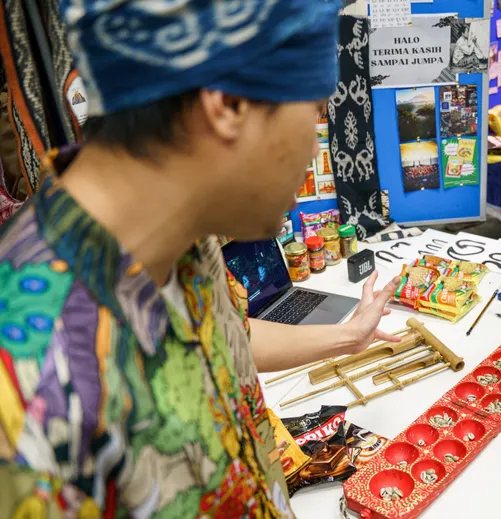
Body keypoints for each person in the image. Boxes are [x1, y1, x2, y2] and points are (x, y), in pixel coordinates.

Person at [0, 1, 401, 516]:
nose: (313, 151)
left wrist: (350, 336)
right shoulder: (26, 396)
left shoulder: (186, 233)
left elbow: (230, 338)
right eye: (315, 112)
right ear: (229, 103)